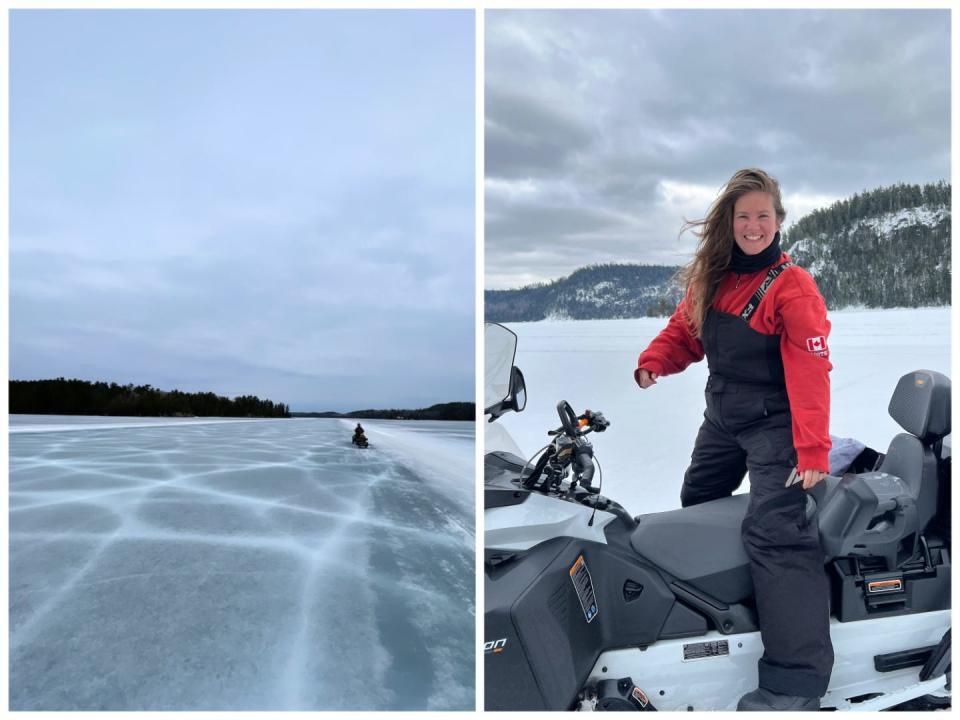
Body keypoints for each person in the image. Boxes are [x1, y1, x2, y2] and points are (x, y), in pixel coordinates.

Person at [635, 168, 833, 711]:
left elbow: (811, 371)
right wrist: (656, 361)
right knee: (697, 509)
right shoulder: (716, 279)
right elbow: (685, 331)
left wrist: (812, 449)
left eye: (762, 216)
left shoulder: (793, 285)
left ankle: (795, 681)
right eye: (743, 216)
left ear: (778, 222)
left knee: (776, 533)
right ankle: (723, 616)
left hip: (777, 425)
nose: (752, 226)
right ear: (729, 222)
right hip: (722, 417)